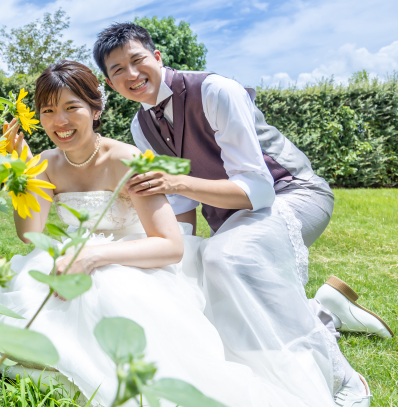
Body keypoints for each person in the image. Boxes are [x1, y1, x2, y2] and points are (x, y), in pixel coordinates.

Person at [0, 60, 336, 407]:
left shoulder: (127, 159)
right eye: (48, 111)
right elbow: (30, 233)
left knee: (109, 291)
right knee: (37, 285)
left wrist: (94, 256)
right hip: (76, 253)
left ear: (95, 110)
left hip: (138, 258)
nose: (59, 122)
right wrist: (24, 170)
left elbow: (170, 246)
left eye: (71, 108)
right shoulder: (46, 164)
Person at [92, 22, 391, 407]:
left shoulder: (216, 90)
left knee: (227, 258)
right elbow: (181, 208)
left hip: (292, 193)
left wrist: (177, 182)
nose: (132, 74)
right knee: (193, 266)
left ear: (157, 57)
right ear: (111, 83)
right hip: (235, 221)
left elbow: (259, 189)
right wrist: (179, 257)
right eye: (118, 70)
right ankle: (322, 310)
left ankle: (344, 378)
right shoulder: (141, 126)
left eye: (137, 60)